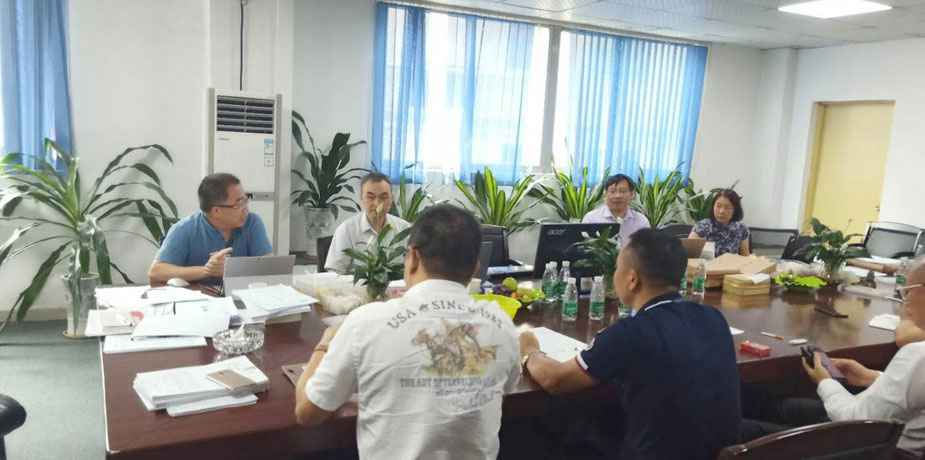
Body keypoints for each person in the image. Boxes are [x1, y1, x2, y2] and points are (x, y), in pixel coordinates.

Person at [295, 204, 521, 460]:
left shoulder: (365, 322)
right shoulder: (502, 324)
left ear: (413, 257)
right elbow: (505, 389)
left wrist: (324, 345)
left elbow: (307, 412)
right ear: (475, 268)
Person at [518, 228, 741, 460]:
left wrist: (530, 350)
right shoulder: (713, 317)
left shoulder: (630, 333)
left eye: (617, 268)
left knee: (559, 430)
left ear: (632, 279)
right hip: (718, 452)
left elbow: (555, 380)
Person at [744, 257, 925, 455]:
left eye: (907, 291)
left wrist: (824, 381)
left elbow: (855, 419)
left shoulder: (917, 355)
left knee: (744, 430)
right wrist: (871, 377)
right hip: (876, 431)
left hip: (869, 448)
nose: (904, 299)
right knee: (776, 406)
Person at [147, 173, 271, 284]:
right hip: (198, 298)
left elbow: (269, 266)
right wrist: (207, 270)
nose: (246, 208)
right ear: (216, 211)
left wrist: (232, 269)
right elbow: (156, 272)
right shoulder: (185, 229)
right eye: (239, 204)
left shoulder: (252, 222)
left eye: (245, 200)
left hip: (242, 295)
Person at [325, 172, 410, 274]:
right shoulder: (346, 230)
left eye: (383, 197)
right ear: (361, 198)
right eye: (370, 197)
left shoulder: (404, 229)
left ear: (391, 199)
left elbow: (416, 270)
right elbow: (334, 273)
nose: (377, 203)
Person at [581, 173, 650, 246]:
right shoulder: (591, 218)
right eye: (612, 191)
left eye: (622, 191)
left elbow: (647, 249)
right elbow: (583, 247)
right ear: (605, 194)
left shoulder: (641, 221)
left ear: (632, 194)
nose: (617, 196)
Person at [689, 189, 750, 257]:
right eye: (718, 206)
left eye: (727, 207)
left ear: (735, 210)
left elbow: (745, 256)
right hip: (706, 263)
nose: (721, 211)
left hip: (731, 264)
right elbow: (690, 255)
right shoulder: (702, 226)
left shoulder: (741, 229)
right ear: (713, 206)